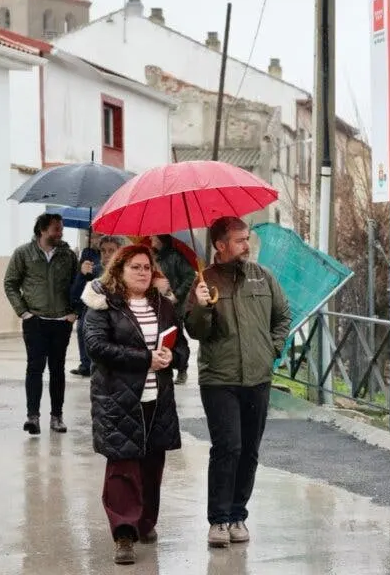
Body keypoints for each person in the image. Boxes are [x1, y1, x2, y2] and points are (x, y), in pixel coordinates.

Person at [82, 244, 190, 565]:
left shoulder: (164, 306)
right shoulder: (103, 304)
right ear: (119, 269)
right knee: (122, 465)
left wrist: (173, 357)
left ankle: (145, 521)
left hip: (157, 399)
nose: (143, 273)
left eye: (147, 267)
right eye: (136, 267)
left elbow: (181, 347)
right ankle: (124, 533)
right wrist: (145, 359)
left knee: (152, 465)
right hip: (118, 399)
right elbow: (97, 347)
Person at [186, 217, 290, 548]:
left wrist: (272, 348)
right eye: (240, 240)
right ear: (220, 245)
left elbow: (283, 315)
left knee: (249, 450)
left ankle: (237, 515)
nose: (248, 245)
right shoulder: (205, 281)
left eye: (248, 239)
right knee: (227, 446)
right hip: (220, 378)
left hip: (258, 377)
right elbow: (196, 331)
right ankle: (218, 521)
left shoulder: (264, 277)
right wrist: (202, 307)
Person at [3, 213, 78, 435]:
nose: (60, 233)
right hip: (35, 321)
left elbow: (77, 285)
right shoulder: (23, 254)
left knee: (57, 370)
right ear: (42, 230)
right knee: (34, 368)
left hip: (61, 321)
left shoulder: (68, 255)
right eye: (56, 229)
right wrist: (23, 312)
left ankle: (57, 417)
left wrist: (74, 312)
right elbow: (10, 283)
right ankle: (32, 417)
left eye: (61, 229)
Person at [70, 235, 125, 377]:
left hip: (117, 319)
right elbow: (75, 295)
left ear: (119, 251)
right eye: (103, 251)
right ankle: (86, 364)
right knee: (82, 326)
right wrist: (82, 275)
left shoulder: (125, 271)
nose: (106, 255)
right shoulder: (93, 270)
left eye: (111, 250)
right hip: (94, 318)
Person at [151, 235, 197, 383]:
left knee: (177, 338)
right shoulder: (154, 258)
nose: (151, 237)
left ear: (161, 239)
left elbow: (190, 277)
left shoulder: (176, 256)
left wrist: (176, 295)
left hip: (174, 306)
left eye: (154, 236)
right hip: (158, 304)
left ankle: (182, 368)